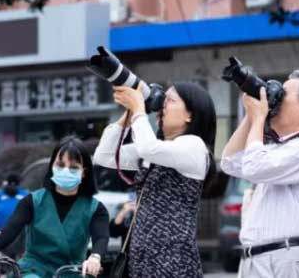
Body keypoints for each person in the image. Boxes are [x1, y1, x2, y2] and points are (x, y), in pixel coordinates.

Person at [93, 82, 217, 278]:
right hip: (142, 261)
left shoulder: (194, 146)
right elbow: (105, 155)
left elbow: (148, 148)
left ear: (189, 115)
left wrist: (139, 110)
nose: (162, 105)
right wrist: (127, 116)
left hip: (174, 262)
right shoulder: (156, 149)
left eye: (170, 100)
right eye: (162, 99)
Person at [221, 70, 299, 278]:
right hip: (254, 259)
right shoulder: (279, 146)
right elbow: (230, 163)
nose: (276, 99)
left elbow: (255, 167)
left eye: (282, 94)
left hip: (285, 260)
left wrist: (258, 119)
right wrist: (250, 118)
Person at [0, 137, 109, 278]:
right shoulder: (32, 201)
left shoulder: (96, 208)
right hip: (33, 270)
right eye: (60, 165)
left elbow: (101, 237)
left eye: (73, 167)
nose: (66, 171)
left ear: (84, 172)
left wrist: (95, 258)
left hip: (72, 271)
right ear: (52, 166)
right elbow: (11, 228)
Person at [0, 173, 29, 258]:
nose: (12, 187)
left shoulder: (24, 195)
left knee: (14, 250)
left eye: (14, 185)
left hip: (18, 232)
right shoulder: (0, 195)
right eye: (10, 184)